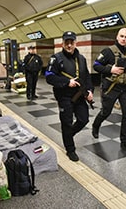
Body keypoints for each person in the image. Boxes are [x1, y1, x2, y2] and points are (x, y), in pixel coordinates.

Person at [45, 31, 94, 161]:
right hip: (64, 96)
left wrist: (90, 91)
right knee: (66, 122)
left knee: (84, 119)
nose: (69, 45)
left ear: (75, 43)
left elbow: (87, 76)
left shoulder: (81, 59)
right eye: (67, 42)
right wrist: (67, 82)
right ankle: (70, 149)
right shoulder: (56, 58)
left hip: (79, 96)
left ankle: (68, 135)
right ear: (63, 43)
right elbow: (49, 77)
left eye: (71, 42)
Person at [92, 27, 126, 153]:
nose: (124, 39)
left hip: (125, 88)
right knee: (106, 112)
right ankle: (95, 126)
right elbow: (96, 65)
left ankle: (125, 142)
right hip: (111, 88)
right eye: (121, 36)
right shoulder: (108, 51)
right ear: (117, 37)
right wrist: (110, 70)